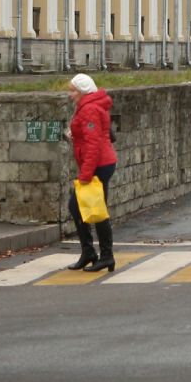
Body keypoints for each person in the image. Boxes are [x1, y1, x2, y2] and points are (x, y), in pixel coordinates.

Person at [65, 74, 119, 273]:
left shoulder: (89, 109)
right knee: (91, 207)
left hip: (98, 164)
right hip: (99, 163)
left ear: (83, 91)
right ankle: (96, 254)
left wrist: (86, 174)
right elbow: (91, 135)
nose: (70, 94)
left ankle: (102, 255)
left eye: (73, 90)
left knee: (84, 207)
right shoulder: (89, 106)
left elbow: (94, 144)